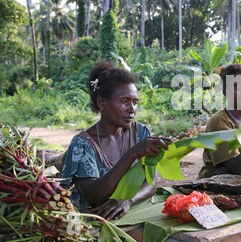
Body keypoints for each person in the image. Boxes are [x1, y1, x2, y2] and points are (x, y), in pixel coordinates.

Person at [60, 61, 170, 220]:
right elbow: (94, 197)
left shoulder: (141, 132)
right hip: (89, 223)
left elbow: (151, 183)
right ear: (102, 102)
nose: (132, 109)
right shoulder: (82, 144)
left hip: (127, 214)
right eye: (125, 101)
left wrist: (127, 200)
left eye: (135, 102)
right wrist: (131, 154)